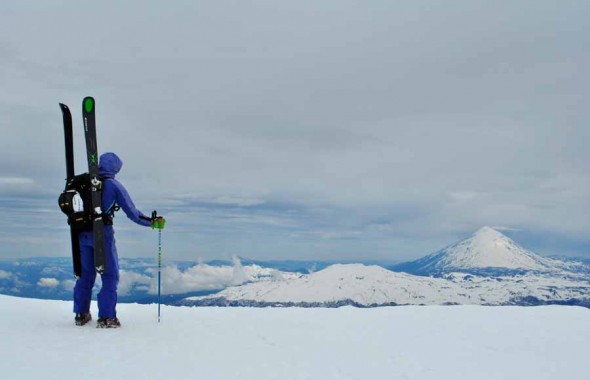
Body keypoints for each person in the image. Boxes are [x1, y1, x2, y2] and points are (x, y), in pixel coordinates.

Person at [73, 152, 165, 328]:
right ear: (115, 167)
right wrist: (153, 223)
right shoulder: (113, 185)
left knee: (85, 275)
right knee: (110, 275)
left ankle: (81, 314)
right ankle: (107, 318)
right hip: (102, 234)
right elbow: (132, 213)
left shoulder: (83, 183)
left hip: (81, 234)